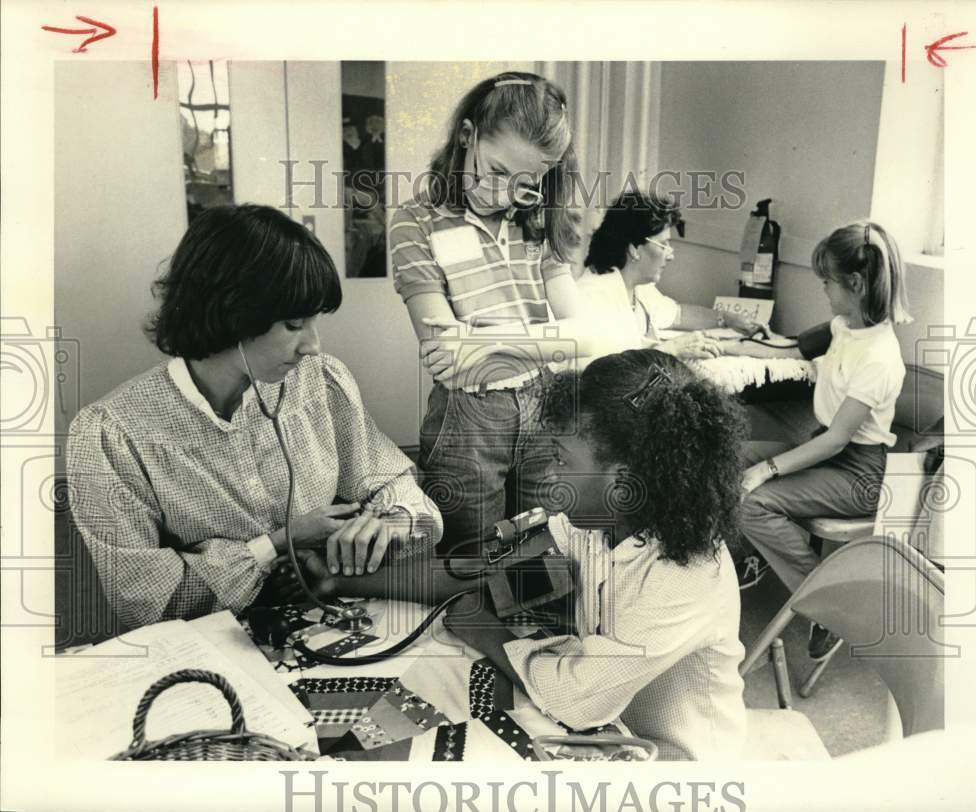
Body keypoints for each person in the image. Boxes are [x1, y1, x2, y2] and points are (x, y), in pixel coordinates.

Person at [309, 350, 748, 760]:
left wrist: (488, 634)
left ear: (621, 481)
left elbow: (577, 702)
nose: (551, 474)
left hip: (677, 766)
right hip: (608, 729)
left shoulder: (683, 577)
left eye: (560, 459)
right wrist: (339, 582)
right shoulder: (599, 527)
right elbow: (478, 570)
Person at [67, 204, 442, 631]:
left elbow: (396, 485)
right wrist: (276, 544)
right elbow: (144, 601)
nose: (312, 345)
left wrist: (390, 522)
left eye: (314, 321)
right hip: (212, 649)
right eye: (293, 324)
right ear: (232, 313)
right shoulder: (112, 435)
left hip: (331, 620)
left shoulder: (319, 382)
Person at [389, 71, 596, 556]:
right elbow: (445, 350)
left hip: (544, 406)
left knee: (542, 555)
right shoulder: (415, 222)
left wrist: (481, 341)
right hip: (469, 422)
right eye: (496, 171)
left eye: (526, 183)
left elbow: (587, 336)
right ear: (467, 137)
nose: (504, 194)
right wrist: (545, 338)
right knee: (472, 562)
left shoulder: (540, 222)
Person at [727, 220, 910, 660]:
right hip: (824, 450)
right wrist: (730, 347)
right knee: (726, 453)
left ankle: (833, 610)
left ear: (857, 283)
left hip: (856, 472)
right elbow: (789, 350)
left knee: (752, 501)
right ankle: (736, 568)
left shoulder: (880, 358)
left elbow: (837, 442)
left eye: (828, 281)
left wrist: (766, 470)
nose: (823, 289)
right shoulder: (843, 325)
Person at [579, 191, 771, 360]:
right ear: (634, 249)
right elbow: (607, 372)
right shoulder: (594, 296)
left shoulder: (637, 288)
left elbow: (677, 315)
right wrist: (671, 349)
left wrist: (729, 319)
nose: (671, 255)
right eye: (664, 245)